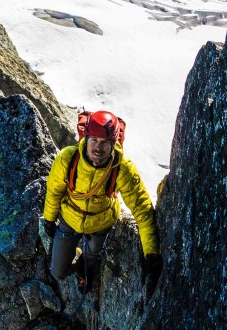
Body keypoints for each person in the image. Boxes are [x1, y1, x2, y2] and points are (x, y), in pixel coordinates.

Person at [43, 111, 161, 294]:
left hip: (101, 222)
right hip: (69, 217)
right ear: (86, 138)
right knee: (58, 272)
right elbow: (54, 191)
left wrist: (151, 255)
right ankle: (81, 255)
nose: (98, 147)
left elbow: (142, 210)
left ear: (114, 144)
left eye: (105, 142)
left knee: (92, 258)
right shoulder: (68, 159)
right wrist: (49, 219)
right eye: (94, 140)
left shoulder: (122, 168)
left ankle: (85, 265)